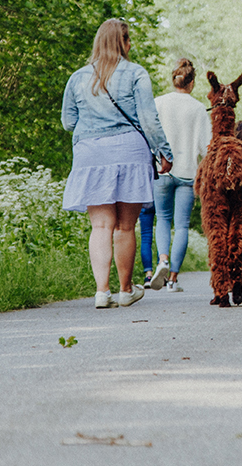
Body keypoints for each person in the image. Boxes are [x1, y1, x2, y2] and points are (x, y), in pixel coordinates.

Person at [61, 19, 172, 309]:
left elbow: (68, 122)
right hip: (129, 151)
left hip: (90, 154)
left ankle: (101, 292)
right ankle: (125, 290)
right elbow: (148, 119)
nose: (131, 45)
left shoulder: (77, 78)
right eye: (128, 40)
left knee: (100, 226)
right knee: (125, 226)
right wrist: (164, 152)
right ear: (121, 42)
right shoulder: (136, 73)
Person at [140, 58, 210, 292]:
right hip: (188, 173)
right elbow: (205, 147)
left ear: (175, 80)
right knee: (181, 226)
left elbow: (149, 134)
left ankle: (162, 260)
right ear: (191, 83)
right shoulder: (199, 108)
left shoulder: (158, 103)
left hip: (162, 170)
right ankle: (173, 280)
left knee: (163, 218)